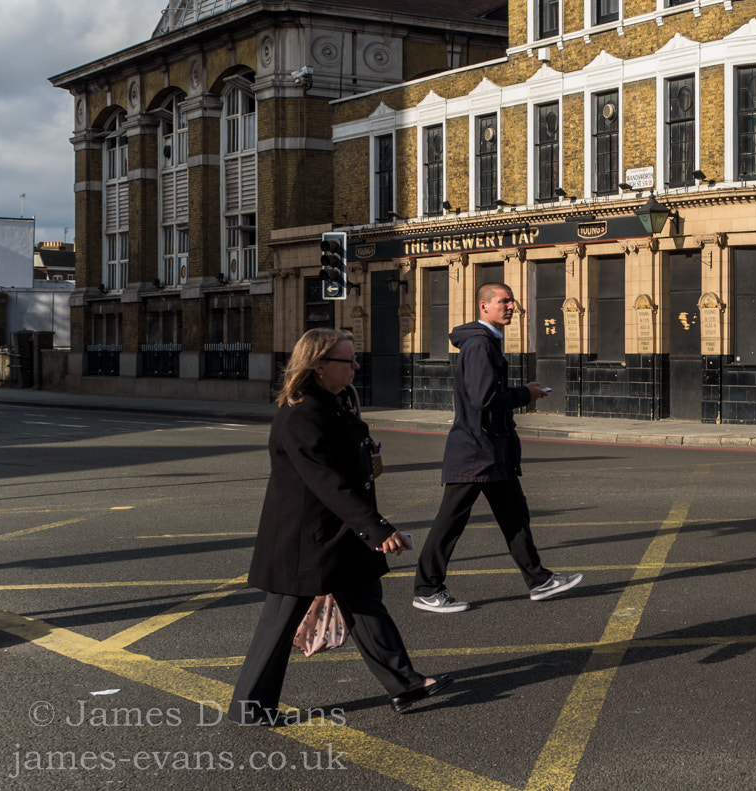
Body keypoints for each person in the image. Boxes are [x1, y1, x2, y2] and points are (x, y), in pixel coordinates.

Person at [232, 329, 445, 723]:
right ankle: (250, 708)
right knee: (279, 622)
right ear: (319, 367)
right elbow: (326, 481)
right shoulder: (301, 414)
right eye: (348, 361)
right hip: (306, 538)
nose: (356, 367)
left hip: (339, 534)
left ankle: (404, 684)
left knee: (365, 604)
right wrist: (377, 529)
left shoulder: (334, 403)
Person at [412, 282, 581, 612]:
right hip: (477, 451)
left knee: (515, 516)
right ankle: (427, 588)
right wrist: (525, 394)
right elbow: (484, 398)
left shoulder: (487, 342)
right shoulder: (479, 344)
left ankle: (539, 580)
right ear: (483, 306)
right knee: (450, 521)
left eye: (512, 301)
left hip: (492, 450)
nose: (511, 306)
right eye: (503, 301)